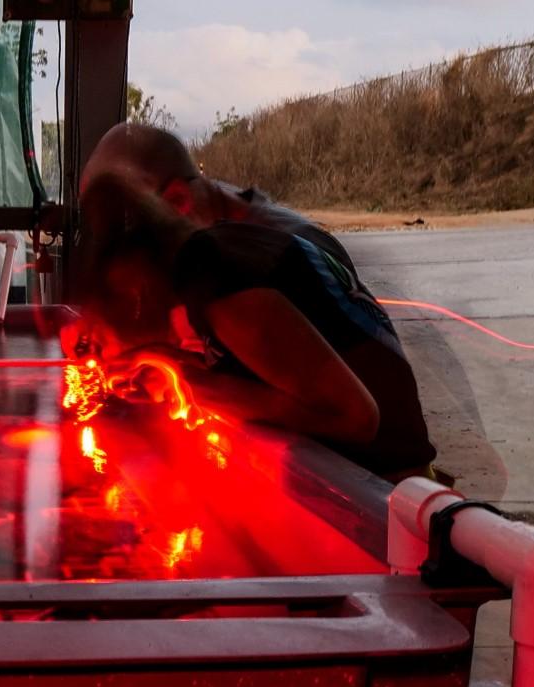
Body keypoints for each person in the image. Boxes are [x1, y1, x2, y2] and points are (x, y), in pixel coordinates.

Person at [68, 124, 437, 481]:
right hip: (348, 477)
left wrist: (194, 385)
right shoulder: (213, 250)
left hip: (385, 493)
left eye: (115, 300)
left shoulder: (222, 279)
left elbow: (357, 417)